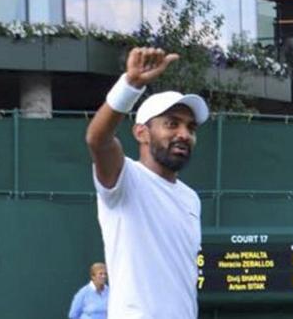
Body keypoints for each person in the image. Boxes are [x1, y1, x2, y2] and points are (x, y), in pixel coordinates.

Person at [85, 47, 209, 319]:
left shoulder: (190, 199)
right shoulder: (126, 178)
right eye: (171, 123)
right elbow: (98, 139)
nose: (184, 134)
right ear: (141, 133)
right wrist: (130, 86)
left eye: (190, 128)